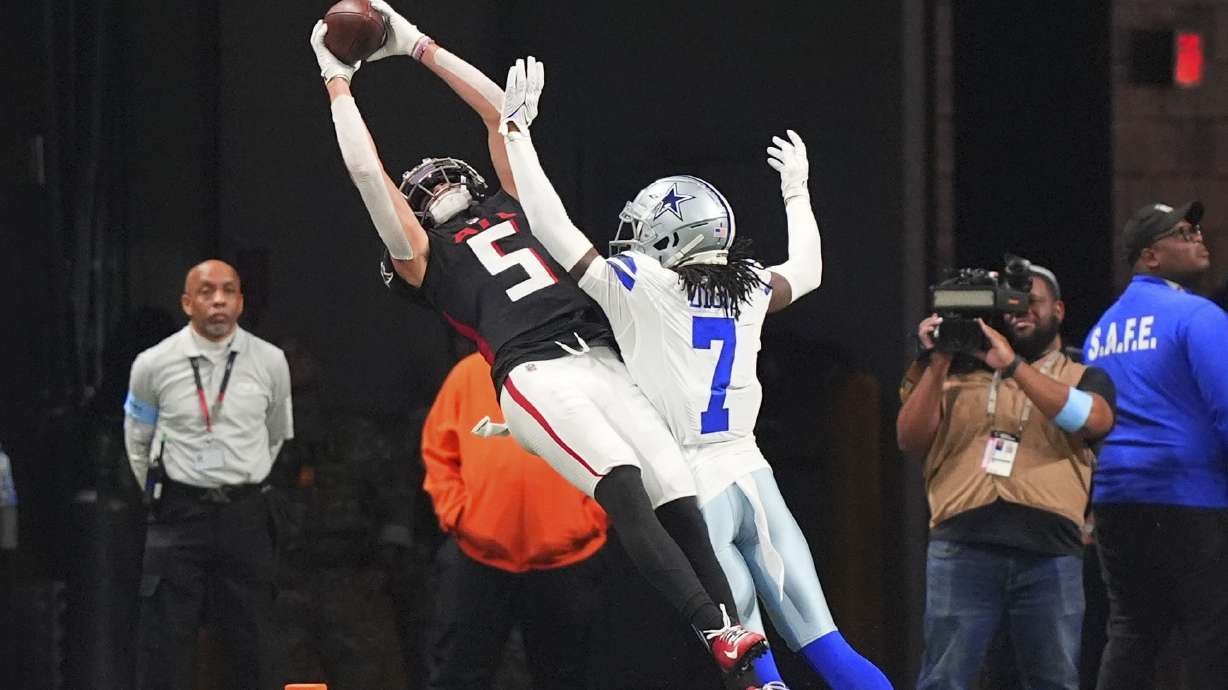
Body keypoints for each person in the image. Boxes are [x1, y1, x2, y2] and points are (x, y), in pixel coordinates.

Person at [307, 4, 769, 683]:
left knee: (678, 495)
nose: (436, 184)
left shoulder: (511, 205)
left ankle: (742, 651)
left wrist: (417, 45)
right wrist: (337, 83)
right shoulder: (425, 258)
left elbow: (503, 119)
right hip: (535, 374)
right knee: (627, 488)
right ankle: (714, 628)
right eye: (423, 186)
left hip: (599, 354)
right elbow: (370, 175)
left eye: (443, 174)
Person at [495, 58, 892, 690]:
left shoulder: (640, 285)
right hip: (754, 477)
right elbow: (810, 268)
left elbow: (549, 224)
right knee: (830, 649)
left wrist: (516, 133)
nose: (632, 240)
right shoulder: (753, 284)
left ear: (673, 237)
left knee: (756, 671)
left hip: (687, 489)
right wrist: (797, 192)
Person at [896, 262, 1116, 690]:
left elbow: (1095, 420)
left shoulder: (1082, 375)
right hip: (961, 546)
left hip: (1049, 552)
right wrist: (939, 356)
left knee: (1053, 680)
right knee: (944, 679)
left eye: (1033, 301)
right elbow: (909, 438)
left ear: (1059, 309)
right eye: (1011, 305)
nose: (1022, 311)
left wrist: (1012, 364)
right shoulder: (953, 374)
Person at [123, 259, 294, 690]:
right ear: (186, 302)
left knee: (253, 633)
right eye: (206, 291)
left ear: (240, 301)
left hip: (245, 511)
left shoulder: (271, 362)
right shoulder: (153, 363)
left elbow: (276, 436)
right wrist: (160, 491)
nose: (218, 300)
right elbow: (137, 439)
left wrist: (242, 475)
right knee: (166, 635)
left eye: (228, 290)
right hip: (181, 511)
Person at [1082, 201, 1228, 690]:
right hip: (1189, 497)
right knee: (1210, 633)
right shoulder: (1196, 315)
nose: (1198, 237)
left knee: (1132, 631)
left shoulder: (1101, 330)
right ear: (1150, 256)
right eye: (1183, 232)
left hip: (1116, 500)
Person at [421, 351, 608, 689]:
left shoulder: (583, 375)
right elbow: (439, 450)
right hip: (476, 558)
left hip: (567, 561)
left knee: (567, 679)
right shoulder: (469, 374)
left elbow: (615, 455)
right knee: (458, 677)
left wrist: (588, 520)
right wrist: (459, 514)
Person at [268, 339, 410, 690]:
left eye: (307, 391)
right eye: (292, 393)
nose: (302, 405)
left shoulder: (356, 437)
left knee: (364, 674)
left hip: (351, 579)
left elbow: (396, 500)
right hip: (285, 584)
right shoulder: (255, 444)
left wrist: (385, 564)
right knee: (292, 678)